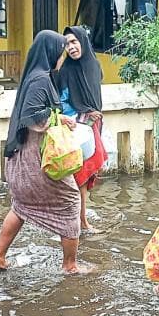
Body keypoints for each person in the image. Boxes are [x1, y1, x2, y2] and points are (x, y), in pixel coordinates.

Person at [0, 30, 89, 274]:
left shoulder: (33, 76)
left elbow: (36, 111)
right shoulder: (41, 79)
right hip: (37, 158)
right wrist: (57, 119)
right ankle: (70, 265)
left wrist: (60, 118)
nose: (62, 57)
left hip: (22, 158)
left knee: (21, 206)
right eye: (61, 52)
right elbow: (32, 116)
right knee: (70, 201)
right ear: (52, 52)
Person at [56, 26, 108, 233]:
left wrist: (92, 112)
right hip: (75, 127)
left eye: (74, 42)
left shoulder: (94, 65)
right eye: (67, 44)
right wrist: (85, 112)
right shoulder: (66, 70)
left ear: (83, 42)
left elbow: (95, 96)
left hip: (92, 126)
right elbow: (61, 102)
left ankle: (79, 219)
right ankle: (81, 222)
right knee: (80, 177)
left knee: (86, 178)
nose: (71, 47)